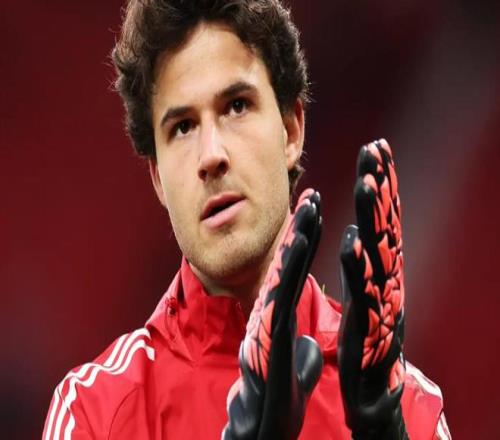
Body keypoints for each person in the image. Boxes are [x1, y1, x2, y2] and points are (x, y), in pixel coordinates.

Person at [43, 1, 451, 439]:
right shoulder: (93, 411)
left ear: (291, 131)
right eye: (183, 127)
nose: (211, 155)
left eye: (236, 106)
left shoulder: (407, 405)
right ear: (158, 179)